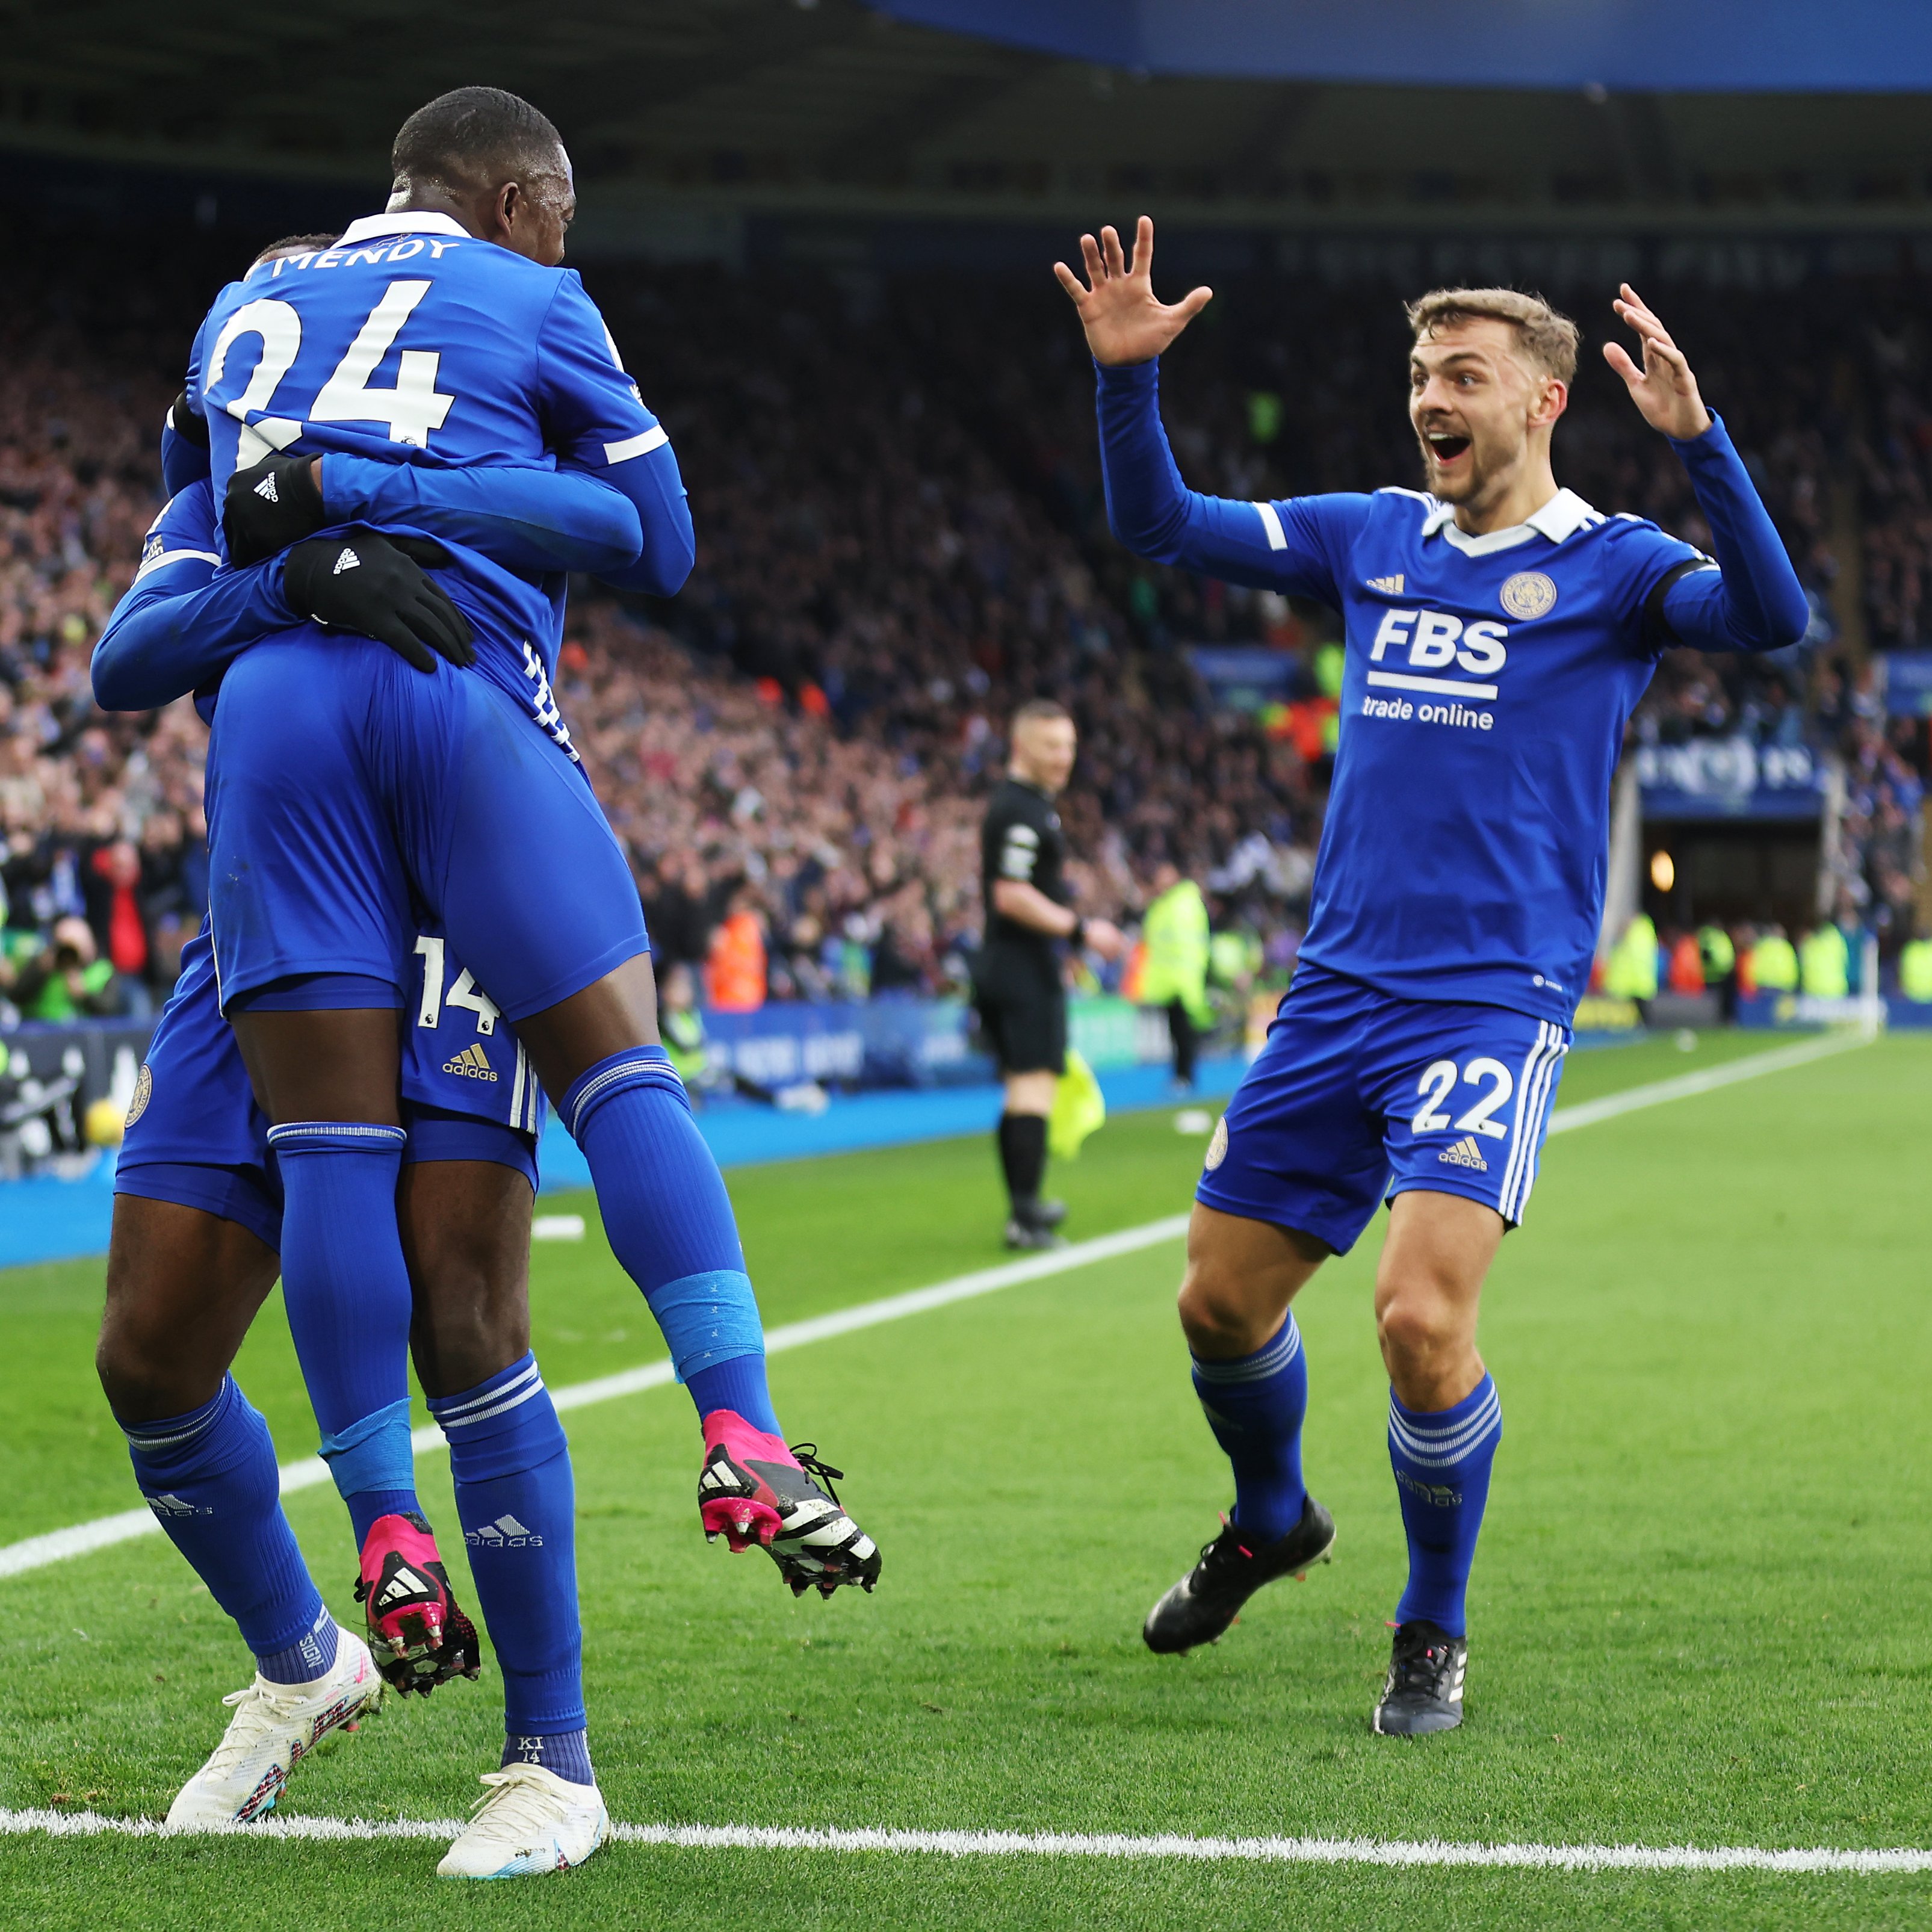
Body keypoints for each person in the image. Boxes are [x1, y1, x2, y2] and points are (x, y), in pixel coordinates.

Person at [170, 88, 879, 1858]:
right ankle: (740, 1425)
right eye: (565, 215)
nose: (573, 243)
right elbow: (657, 538)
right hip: (457, 726)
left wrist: (302, 524)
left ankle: (418, 1574)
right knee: (617, 1072)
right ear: (520, 199)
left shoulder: (243, 319)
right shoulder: (533, 295)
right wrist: (378, 503)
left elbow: (180, 590)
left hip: (271, 748)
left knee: (369, 1189)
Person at [1057, 217, 1806, 1734]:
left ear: (1541, 401)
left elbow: (1772, 621)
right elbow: (1162, 528)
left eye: (1459, 372)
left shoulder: (1613, 568)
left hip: (1487, 1003)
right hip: (1333, 992)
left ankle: (1430, 1624)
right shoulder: (1367, 533)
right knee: (1213, 1304)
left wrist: (1703, 443)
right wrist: (1125, 386)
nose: (1428, 396)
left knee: (1414, 1317)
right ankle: (1271, 1517)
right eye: (1417, 372)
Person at [91, 251, 654, 1871]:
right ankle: (300, 1664)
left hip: (452, 896)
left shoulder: (480, 410)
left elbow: (626, 531)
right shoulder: (224, 459)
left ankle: (552, 1758)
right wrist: (293, 575)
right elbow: (135, 652)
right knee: (149, 1352)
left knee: (463, 1315)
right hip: (266, 914)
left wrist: (352, 524)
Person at [971, 699, 1124, 1249]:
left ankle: (1025, 1206)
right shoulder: (1019, 810)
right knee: (1032, 1086)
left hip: (1018, 964)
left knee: (1024, 1086)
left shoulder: (1032, 806)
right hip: (1019, 969)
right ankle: (1024, 1214)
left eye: (1069, 747)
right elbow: (1010, 894)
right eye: (1051, 746)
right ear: (1021, 747)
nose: (1064, 758)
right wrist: (1081, 931)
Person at [1139, 859, 1213, 1091]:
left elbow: (1187, 943)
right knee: (1175, 1031)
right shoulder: (1165, 904)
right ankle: (1181, 1075)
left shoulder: (1182, 903)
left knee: (1183, 1031)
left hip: (1183, 978)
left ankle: (1186, 1076)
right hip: (1168, 980)